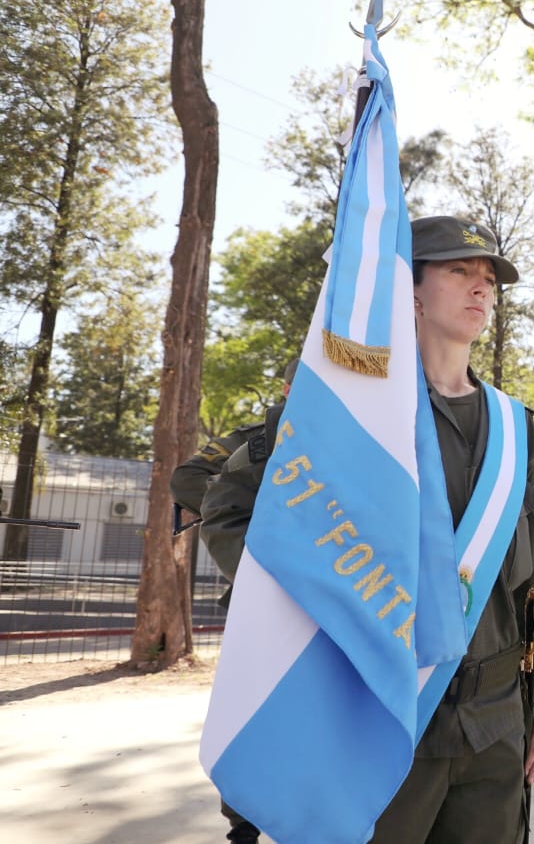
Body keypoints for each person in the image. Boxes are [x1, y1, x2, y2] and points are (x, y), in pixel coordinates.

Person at [202, 216, 534, 842]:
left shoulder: (514, 428)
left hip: (495, 725)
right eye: (460, 271)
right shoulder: (342, 409)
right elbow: (231, 511)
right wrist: (320, 599)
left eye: (488, 279)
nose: (482, 289)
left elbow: (532, 580)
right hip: (381, 719)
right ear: (410, 291)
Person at [175, 360, 293, 844]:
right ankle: (243, 824)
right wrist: (250, 509)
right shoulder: (258, 437)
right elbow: (187, 478)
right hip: (261, 596)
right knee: (252, 714)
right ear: (287, 385)